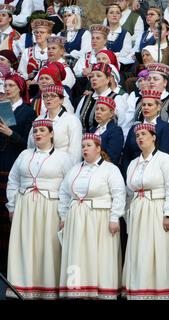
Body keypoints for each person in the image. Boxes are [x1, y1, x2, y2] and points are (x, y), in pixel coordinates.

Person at [5, 119, 71, 299]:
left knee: (47, 247)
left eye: (42, 130)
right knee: (24, 245)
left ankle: (47, 289)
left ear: (51, 134)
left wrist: (64, 214)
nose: (38, 134)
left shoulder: (63, 157)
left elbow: (68, 187)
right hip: (25, 207)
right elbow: (13, 181)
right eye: (35, 131)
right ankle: (23, 288)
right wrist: (12, 206)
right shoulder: (24, 155)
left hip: (50, 208)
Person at [59, 133, 126, 299]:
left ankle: (101, 292)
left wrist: (114, 217)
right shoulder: (75, 169)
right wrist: (64, 216)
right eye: (83, 146)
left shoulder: (110, 169)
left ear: (98, 148)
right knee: (77, 253)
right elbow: (64, 193)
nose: (84, 149)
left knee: (99, 254)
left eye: (88, 145)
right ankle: (78, 291)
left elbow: (119, 194)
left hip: (100, 218)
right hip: (77, 218)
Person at [122, 123, 169, 300]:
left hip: (158, 209)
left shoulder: (167, 161)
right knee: (140, 251)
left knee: (158, 250)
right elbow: (129, 192)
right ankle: (141, 290)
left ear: (154, 137)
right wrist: (129, 215)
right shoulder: (133, 163)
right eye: (138, 135)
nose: (140, 138)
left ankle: (161, 292)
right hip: (139, 211)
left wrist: (168, 213)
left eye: (144, 134)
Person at [0, 72, 36, 273]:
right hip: (1, 160)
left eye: (12, 85)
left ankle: (9, 262)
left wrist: (9, 133)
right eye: (6, 85)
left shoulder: (27, 112)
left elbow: (27, 143)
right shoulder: (2, 108)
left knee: (10, 212)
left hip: (14, 160)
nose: (8, 88)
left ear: (20, 88)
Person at [28, 85, 82, 166]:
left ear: (61, 100)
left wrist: (70, 173)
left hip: (61, 167)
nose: (48, 98)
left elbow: (75, 152)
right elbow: (30, 145)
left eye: (53, 96)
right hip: (38, 166)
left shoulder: (71, 120)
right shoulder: (38, 119)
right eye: (45, 96)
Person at [122, 89, 169, 174]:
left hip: (155, 173)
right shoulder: (134, 128)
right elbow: (126, 155)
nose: (146, 107)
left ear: (158, 107)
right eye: (143, 105)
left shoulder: (165, 127)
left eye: (150, 105)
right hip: (133, 173)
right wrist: (128, 174)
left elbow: (164, 154)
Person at [90, 96, 124, 166]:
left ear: (111, 114)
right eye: (97, 109)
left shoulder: (115, 131)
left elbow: (113, 158)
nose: (98, 112)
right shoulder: (92, 130)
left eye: (102, 110)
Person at [58, 5, 91, 69]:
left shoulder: (85, 34)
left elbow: (85, 53)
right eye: (65, 16)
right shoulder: (60, 34)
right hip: (61, 68)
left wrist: (69, 55)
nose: (66, 18)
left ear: (77, 17)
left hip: (78, 68)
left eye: (69, 15)